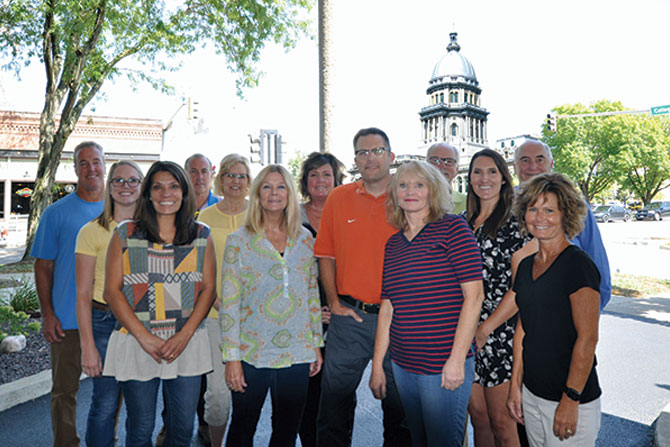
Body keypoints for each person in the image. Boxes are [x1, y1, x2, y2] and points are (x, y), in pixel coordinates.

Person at [369, 160, 484, 446]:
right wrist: (378, 365)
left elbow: (474, 297)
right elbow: (388, 307)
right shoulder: (393, 245)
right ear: (394, 194)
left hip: (442, 364)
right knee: (417, 440)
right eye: (403, 185)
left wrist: (456, 359)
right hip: (403, 365)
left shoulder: (453, 229)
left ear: (433, 190)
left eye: (419, 185)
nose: (410, 191)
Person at [103, 161, 216, 446]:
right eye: (158, 187)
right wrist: (145, 338)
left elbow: (208, 289)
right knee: (140, 428)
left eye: (174, 186)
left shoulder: (202, 234)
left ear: (184, 192)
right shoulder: (126, 233)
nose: (166, 194)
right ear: (148, 194)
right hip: (137, 342)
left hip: (186, 343)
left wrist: (184, 335)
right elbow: (112, 292)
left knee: (183, 427)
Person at [315, 127, 411, 447]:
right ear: (355, 160)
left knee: (399, 411)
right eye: (363, 152)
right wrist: (333, 301)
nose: (370, 158)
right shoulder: (338, 198)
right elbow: (325, 254)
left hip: (399, 320)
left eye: (377, 151)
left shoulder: (408, 197)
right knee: (334, 408)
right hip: (349, 318)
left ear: (391, 156)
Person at [220, 164, 324, 446]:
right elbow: (230, 304)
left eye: (280, 187)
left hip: (297, 350)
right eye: (267, 187)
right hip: (252, 351)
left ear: (289, 194)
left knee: (287, 431)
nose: (274, 193)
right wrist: (232, 358)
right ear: (257, 194)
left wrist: (315, 343)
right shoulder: (238, 241)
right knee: (242, 428)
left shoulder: (305, 238)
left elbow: (311, 294)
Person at [507, 173, 602, 446]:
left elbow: (588, 338)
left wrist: (570, 399)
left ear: (565, 215)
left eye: (549, 210)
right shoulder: (526, 265)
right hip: (532, 394)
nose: (540, 217)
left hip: (569, 399)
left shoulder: (578, 265)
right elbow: (523, 329)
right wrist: (515, 386)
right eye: (533, 209)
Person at [32, 141, 106, 447]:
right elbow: (43, 267)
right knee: (64, 392)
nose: (91, 168)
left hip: (110, 318)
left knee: (109, 393)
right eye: (83, 163)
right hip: (67, 319)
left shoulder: (123, 208)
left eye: (96, 161)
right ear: (75, 168)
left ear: (105, 165)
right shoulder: (56, 214)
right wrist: (48, 314)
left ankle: (105, 440)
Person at [463, 149, 535, 447]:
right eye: (477, 171)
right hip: (463, 333)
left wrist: (485, 329)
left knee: (503, 424)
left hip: (501, 334)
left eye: (492, 171)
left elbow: (522, 289)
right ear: (469, 178)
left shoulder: (518, 224)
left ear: (504, 178)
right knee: (479, 420)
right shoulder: (461, 224)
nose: (485, 178)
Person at [75, 160, 143, 447]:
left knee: (141, 408)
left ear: (142, 186)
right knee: (105, 403)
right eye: (118, 180)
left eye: (132, 180)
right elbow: (82, 294)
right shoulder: (91, 231)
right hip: (104, 323)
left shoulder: (154, 229)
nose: (125, 186)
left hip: (142, 323)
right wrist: (88, 347)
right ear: (109, 186)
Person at [513, 139, 610, 309]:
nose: (533, 166)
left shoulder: (575, 205)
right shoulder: (504, 205)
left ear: (551, 164)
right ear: (515, 167)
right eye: (525, 160)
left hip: (566, 309)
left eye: (540, 159)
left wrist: (593, 310)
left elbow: (596, 258)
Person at [197, 154, 252, 447]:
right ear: (221, 179)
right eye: (230, 175)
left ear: (249, 181)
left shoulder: (259, 213)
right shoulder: (205, 218)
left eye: (242, 175)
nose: (236, 181)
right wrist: (218, 303)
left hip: (256, 319)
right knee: (218, 395)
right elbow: (197, 268)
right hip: (215, 317)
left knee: (248, 392)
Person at [296, 151, 346, 447]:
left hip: (339, 309)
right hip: (301, 311)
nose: (320, 180)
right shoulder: (292, 215)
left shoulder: (346, 214)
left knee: (337, 391)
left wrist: (336, 304)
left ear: (336, 179)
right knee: (308, 389)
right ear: (305, 181)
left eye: (326, 174)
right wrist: (311, 310)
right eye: (313, 174)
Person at [426, 142, 466, 213]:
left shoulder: (468, 203)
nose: (442, 166)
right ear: (425, 166)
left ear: (457, 169)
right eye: (435, 160)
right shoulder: (412, 200)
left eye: (449, 161)